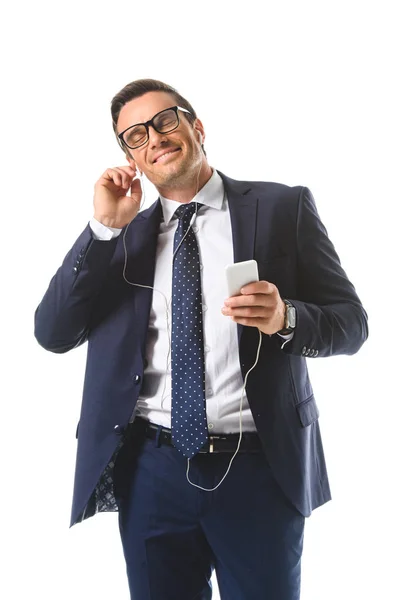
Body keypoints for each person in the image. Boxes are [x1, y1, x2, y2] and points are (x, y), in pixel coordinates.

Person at [34, 78, 368, 600]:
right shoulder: (121, 237)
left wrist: (286, 317)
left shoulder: (282, 209)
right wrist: (102, 229)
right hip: (150, 470)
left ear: (196, 127)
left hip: (260, 465)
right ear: (132, 159)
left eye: (165, 121)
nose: (155, 138)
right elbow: (52, 334)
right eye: (135, 136)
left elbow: (352, 324)